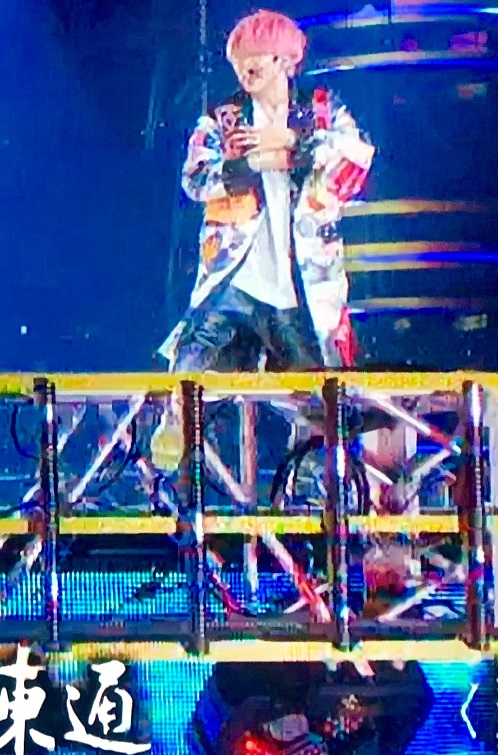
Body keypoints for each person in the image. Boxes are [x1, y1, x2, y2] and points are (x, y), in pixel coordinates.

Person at [150, 10, 374, 470]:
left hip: (299, 287)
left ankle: (322, 482)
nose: (246, 71)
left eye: (257, 59)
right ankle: (168, 461)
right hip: (234, 279)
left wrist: (289, 142)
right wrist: (252, 163)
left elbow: (355, 156)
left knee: (319, 400)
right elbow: (196, 178)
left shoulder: (320, 111)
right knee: (189, 371)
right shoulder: (223, 119)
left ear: (284, 61)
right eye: (240, 62)